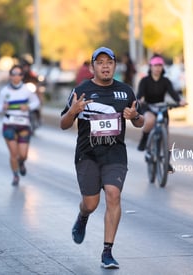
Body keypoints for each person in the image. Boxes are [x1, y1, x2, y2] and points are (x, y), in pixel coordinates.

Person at [60, 47, 144, 269]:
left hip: (114, 153)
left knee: (113, 195)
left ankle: (107, 251)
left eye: (109, 62)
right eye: (100, 62)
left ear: (115, 66)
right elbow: (63, 124)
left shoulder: (125, 92)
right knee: (91, 203)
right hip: (87, 154)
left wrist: (135, 116)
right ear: (92, 67)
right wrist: (73, 111)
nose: (105, 66)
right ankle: (83, 216)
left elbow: (140, 121)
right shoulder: (82, 90)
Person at [0, 65, 40, 186]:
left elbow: (36, 102)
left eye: (19, 74)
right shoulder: (4, 91)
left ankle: (21, 163)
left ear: (22, 76)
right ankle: (15, 175)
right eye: (14, 74)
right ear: (10, 76)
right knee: (14, 154)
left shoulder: (27, 90)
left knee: (23, 155)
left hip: (24, 124)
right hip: (9, 124)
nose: (16, 76)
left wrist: (28, 107)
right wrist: (3, 108)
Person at [136, 55, 186, 156]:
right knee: (150, 121)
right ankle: (144, 139)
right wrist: (139, 100)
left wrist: (180, 101)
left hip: (162, 108)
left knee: (165, 133)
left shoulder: (165, 81)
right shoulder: (145, 81)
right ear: (151, 67)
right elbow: (139, 94)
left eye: (160, 66)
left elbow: (173, 93)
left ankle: (167, 162)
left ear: (162, 67)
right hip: (148, 107)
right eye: (155, 65)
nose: (157, 68)